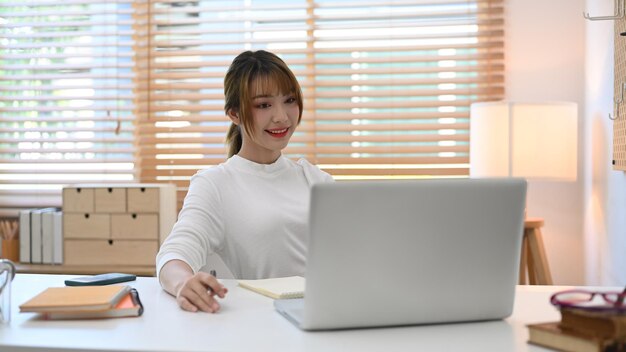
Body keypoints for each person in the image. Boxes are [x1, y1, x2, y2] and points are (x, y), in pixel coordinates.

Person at [156, 50, 334, 313]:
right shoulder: (215, 184)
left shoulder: (314, 179)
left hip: (325, 317)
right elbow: (174, 255)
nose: (282, 117)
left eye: (290, 100)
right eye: (264, 105)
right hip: (259, 324)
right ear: (234, 114)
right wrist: (183, 283)